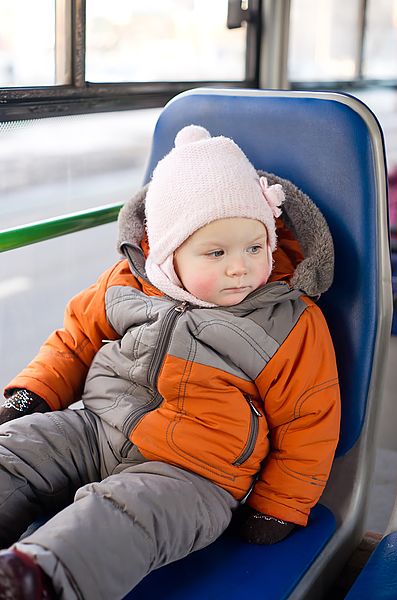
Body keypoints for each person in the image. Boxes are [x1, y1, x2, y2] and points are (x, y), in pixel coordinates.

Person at [0, 125, 340, 599]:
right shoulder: (128, 282)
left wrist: (280, 503)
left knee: (121, 513)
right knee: (16, 448)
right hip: (96, 429)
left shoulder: (287, 319)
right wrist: (33, 391)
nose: (240, 266)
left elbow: (310, 418)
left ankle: (37, 580)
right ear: (166, 253)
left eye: (255, 247)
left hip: (194, 472)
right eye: (216, 253)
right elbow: (76, 340)